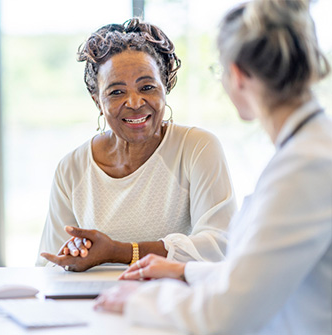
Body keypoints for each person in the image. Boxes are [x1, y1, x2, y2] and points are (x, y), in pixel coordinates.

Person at [94, 1, 332, 334]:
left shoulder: (305, 167)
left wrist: (138, 301)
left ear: (237, 74)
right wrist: (184, 271)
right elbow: (255, 274)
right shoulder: (309, 150)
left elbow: (226, 314)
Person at [37, 19, 236, 271]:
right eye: (116, 92)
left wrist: (119, 252)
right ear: (97, 101)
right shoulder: (71, 168)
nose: (134, 102)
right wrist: (71, 255)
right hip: (96, 304)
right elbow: (49, 264)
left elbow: (219, 246)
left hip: (174, 305)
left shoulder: (197, 148)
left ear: (166, 88)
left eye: (147, 87)